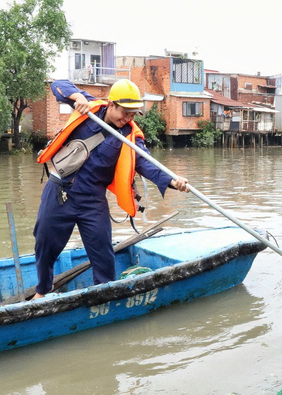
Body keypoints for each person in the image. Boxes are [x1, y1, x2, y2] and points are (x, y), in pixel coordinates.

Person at [32, 79, 191, 299]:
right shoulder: (90, 107)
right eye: (125, 112)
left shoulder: (130, 137)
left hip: (92, 200)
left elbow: (147, 164)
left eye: (133, 114)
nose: (128, 118)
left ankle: (104, 294)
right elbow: (59, 85)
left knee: (102, 252)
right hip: (60, 191)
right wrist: (77, 98)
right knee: (44, 242)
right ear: (112, 104)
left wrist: (174, 181)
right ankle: (42, 290)